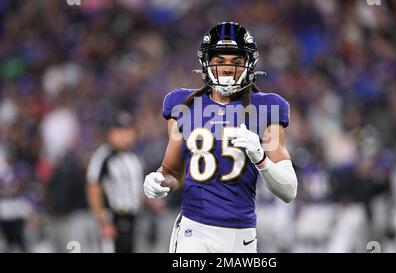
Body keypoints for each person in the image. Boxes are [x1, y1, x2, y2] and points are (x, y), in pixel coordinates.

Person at [143, 22, 298, 253]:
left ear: (250, 64)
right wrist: (159, 181)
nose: (227, 69)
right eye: (219, 61)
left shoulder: (268, 108)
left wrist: (261, 158)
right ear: (206, 63)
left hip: (242, 234)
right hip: (195, 230)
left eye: (236, 62)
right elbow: (173, 172)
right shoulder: (183, 105)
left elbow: (289, 191)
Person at [86, 111, 145, 253]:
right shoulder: (103, 156)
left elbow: (137, 188)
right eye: (122, 131)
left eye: (130, 130)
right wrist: (103, 221)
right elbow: (93, 188)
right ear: (111, 133)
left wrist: (151, 201)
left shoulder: (135, 157)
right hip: (113, 218)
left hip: (134, 218)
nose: (127, 135)